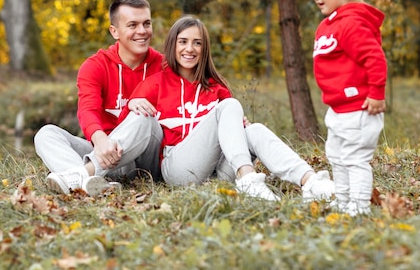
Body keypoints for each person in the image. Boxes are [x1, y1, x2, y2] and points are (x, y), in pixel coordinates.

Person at [117, 15, 335, 202]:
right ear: (172, 45)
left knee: (254, 129)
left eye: (197, 43)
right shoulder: (156, 83)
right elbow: (128, 132)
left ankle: (310, 181)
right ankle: (248, 179)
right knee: (229, 106)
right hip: (179, 169)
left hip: (220, 171)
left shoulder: (216, 88)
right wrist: (132, 104)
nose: (190, 49)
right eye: (183, 41)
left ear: (205, 49)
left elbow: (234, 131)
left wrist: (241, 127)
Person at [34, 0, 164, 196]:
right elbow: (87, 110)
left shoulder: (165, 66)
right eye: (133, 25)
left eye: (146, 24)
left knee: (143, 117)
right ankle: (91, 183)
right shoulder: (95, 66)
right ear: (115, 31)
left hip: (145, 159)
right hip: (104, 153)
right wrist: (101, 139)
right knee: (46, 134)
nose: (142, 31)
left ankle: (78, 177)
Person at [308, 0, 388, 216]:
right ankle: (343, 202)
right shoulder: (329, 24)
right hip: (339, 109)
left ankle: (359, 207)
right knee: (337, 158)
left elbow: (374, 58)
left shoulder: (352, 23)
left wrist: (376, 94)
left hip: (360, 109)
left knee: (355, 160)